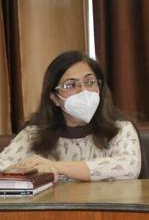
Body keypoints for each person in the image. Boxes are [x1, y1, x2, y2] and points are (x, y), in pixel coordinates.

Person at [0, 51, 141, 181]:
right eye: (70, 85)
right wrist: (22, 169)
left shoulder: (120, 128)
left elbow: (129, 167)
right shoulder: (33, 134)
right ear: (54, 98)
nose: (84, 90)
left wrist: (56, 167)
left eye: (90, 82)